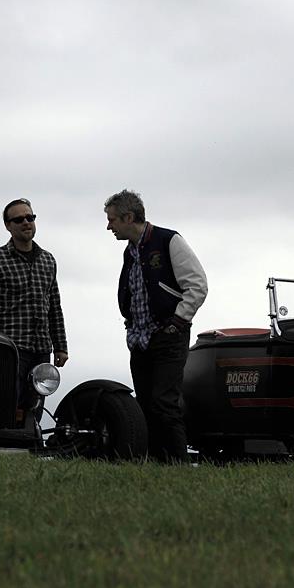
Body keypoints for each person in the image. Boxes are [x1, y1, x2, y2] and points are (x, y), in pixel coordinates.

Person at [104, 189, 208, 463]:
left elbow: (197, 285)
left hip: (167, 336)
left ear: (128, 217)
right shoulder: (131, 251)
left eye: (112, 219)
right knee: (147, 404)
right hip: (140, 339)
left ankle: (177, 463)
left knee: (164, 402)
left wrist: (177, 321)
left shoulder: (169, 240)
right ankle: (154, 462)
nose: (109, 226)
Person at [0, 198, 69, 421]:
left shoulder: (48, 260)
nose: (26, 222)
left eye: (30, 217)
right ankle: (3, 446)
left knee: (34, 407)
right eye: (19, 219)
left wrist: (61, 347)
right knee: (5, 404)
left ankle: (30, 447)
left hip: (41, 349)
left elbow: (54, 307)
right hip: (9, 349)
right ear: (8, 226)